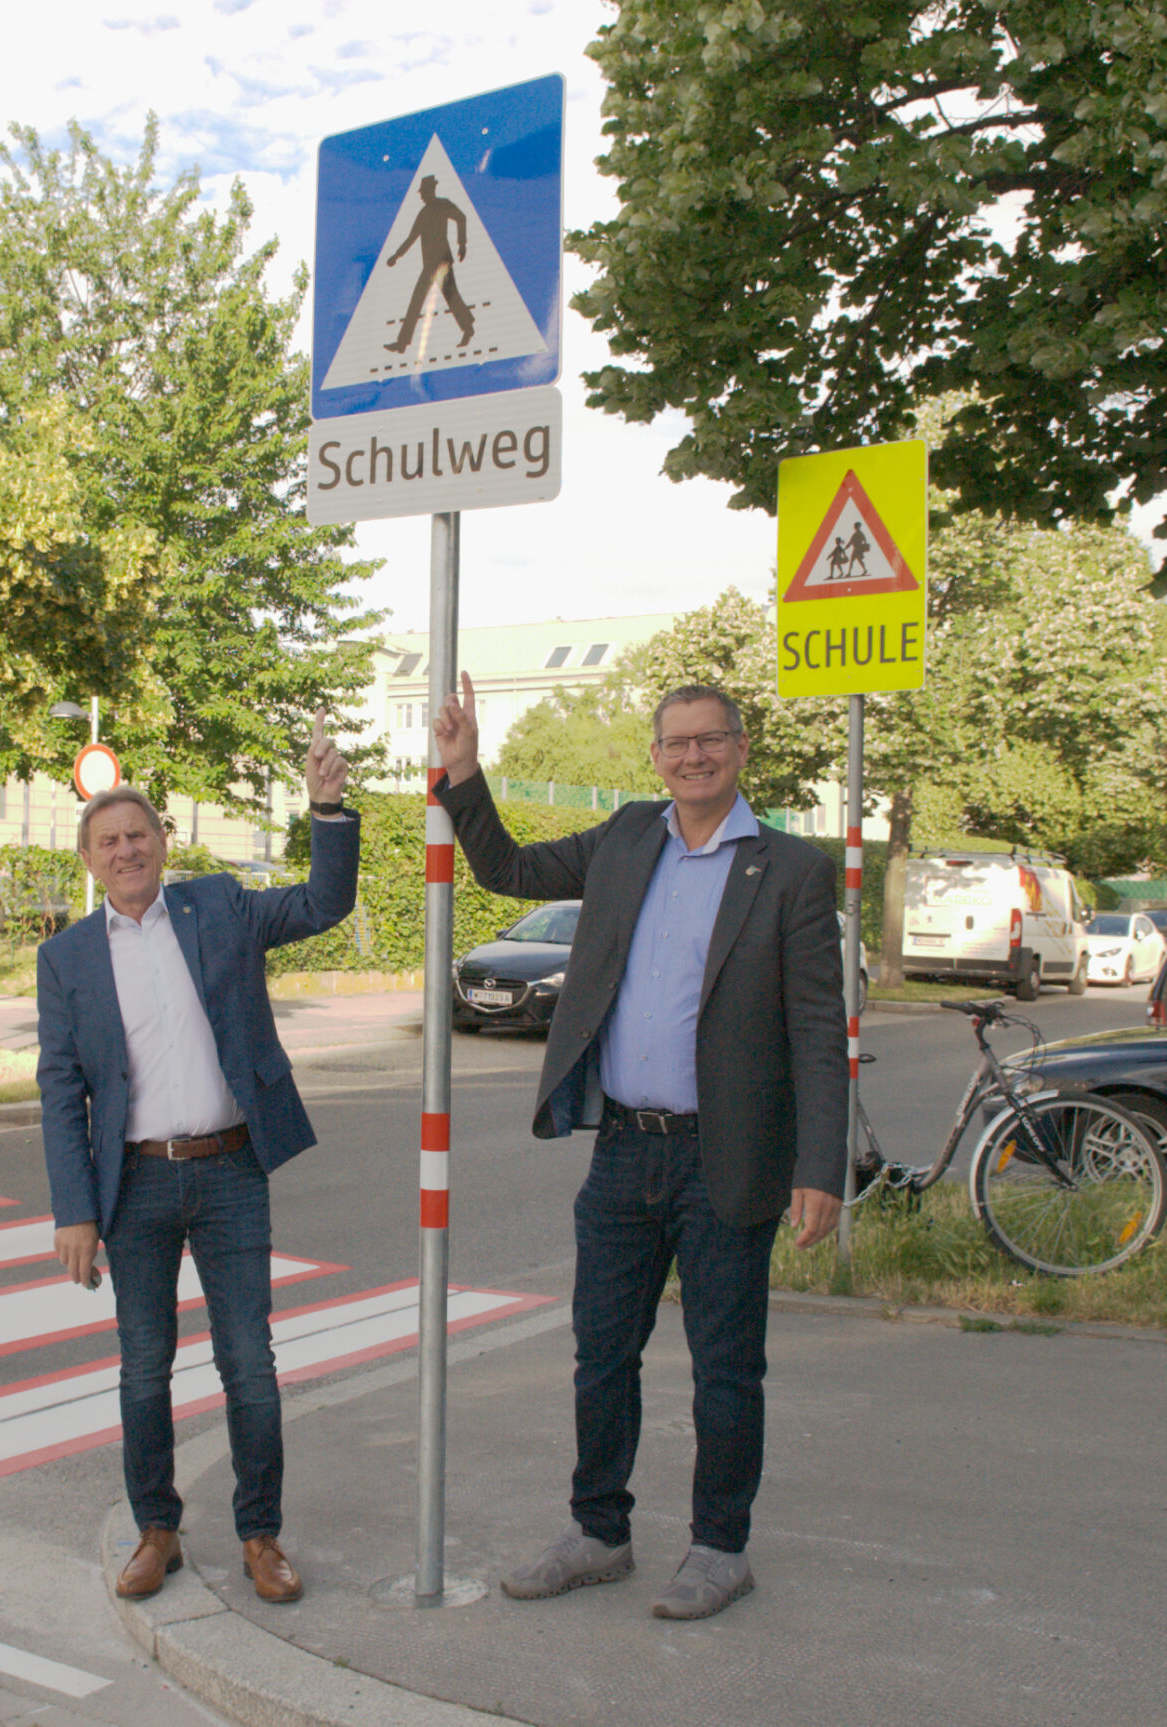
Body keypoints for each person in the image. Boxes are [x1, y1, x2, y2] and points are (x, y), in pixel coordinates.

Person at [431, 676, 845, 1620]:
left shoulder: (789, 869)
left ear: (741, 749)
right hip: (623, 1149)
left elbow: (819, 1028)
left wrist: (819, 1166)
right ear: (654, 755)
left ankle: (719, 1545)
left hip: (727, 1157)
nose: (692, 756)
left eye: (711, 740)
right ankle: (599, 1531)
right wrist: (463, 775)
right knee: (600, 1352)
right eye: (676, 742)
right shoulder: (626, 837)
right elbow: (508, 870)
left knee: (727, 1364)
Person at [36, 726, 356, 1606]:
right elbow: (62, 1091)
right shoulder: (65, 959)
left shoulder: (220, 907)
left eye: (139, 834)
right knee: (143, 1366)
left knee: (248, 1360)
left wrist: (326, 810)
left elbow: (324, 901)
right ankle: (157, 1530)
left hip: (227, 1171)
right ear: (90, 861)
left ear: (163, 842)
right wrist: (74, 1209)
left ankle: (261, 1536)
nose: (127, 850)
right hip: (132, 1185)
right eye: (109, 841)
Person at [383, 175, 475, 353]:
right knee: (418, 300)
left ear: (430, 190)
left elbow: (461, 218)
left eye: (423, 192)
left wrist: (462, 244)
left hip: (442, 263)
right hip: (429, 265)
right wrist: (396, 256)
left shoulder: (443, 205)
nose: (422, 196)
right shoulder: (423, 213)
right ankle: (402, 343)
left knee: (451, 296)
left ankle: (468, 329)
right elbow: (411, 238)